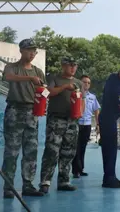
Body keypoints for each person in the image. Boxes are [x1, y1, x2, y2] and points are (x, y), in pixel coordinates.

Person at [1, 39, 45, 198]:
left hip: (32, 112)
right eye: (29, 50)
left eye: (34, 51)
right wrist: (29, 79)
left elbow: (43, 90)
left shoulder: (38, 71)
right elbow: (8, 77)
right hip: (15, 110)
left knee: (31, 151)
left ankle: (28, 184)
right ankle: (8, 186)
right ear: (21, 51)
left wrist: (43, 101)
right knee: (11, 151)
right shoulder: (12, 67)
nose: (32, 53)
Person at [39, 57, 85, 194]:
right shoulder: (54, 79)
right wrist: (64, 87)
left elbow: (82, 99)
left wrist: (81, 112)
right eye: (70, 65)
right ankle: (45, 181)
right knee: (52, 150)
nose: (72, 68)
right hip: (56, 119)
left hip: (72, 120)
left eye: (74, 65)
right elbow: (47, 93)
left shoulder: (78, 83)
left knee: (69, 151)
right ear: (63, 65)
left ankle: (64, 180)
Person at [72, 75, 100, 178]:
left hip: (87, 125)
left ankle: (81, 169)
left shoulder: (92, 97)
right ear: (80, 82)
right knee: (76, 148)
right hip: (77, 124)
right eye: (84, 82)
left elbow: (96, 110)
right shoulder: (76, 94)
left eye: (88, 82)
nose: (86, 84)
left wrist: (98, 124)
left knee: (83, 148)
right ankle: (76, 170)